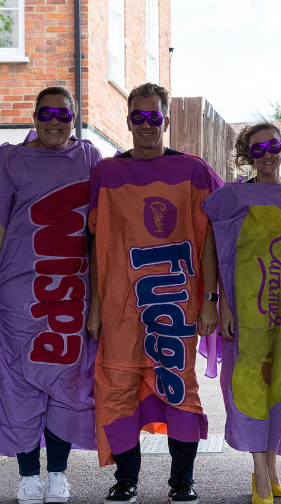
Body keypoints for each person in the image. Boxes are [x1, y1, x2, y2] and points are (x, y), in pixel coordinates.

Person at [87, 83, 223, 504]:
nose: (146, 125)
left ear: (166, 120)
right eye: (138, 117)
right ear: (128, 120)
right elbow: (92, 242)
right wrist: (94, 305)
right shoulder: (106, 173)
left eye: (154, 117)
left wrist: (209, 299)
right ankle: (126, 479)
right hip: (119, 304)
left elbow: (214, 237)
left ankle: (182, 481)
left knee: (179, 387)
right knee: (116, 388)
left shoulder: (194, 170)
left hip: (175, 302)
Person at [202, 122, 281, 504]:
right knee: (248, 388)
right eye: (257, 149)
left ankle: (271, 472)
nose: (267, 154)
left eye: (273, 145)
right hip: (245, 312)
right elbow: (213, 251)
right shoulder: (231, 196)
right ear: (246, 155)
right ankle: (261, 479)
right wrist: (219, 303)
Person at [0, 87, 101, 504]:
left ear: (74, 117)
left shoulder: (91, 159)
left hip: (72, 292)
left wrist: (98, 298)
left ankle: (57, 473)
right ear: (34, 117)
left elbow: (100, 232)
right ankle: (27, 476)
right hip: (20, 292)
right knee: (19, 382)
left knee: (67, 382)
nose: (54, 120)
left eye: (63, 112)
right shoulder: (9, 159)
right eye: (46, 113)